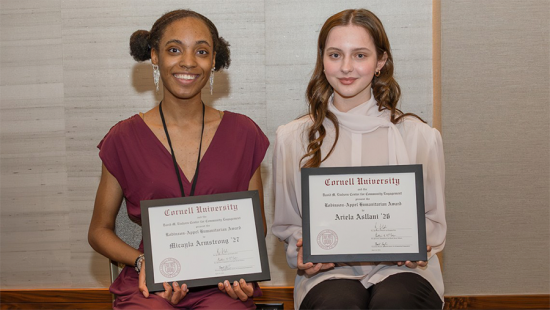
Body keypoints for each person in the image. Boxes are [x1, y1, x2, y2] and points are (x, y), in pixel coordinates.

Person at [88, 9, 269, 309]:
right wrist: (141, 260)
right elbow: (98, 231)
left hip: (221, 283)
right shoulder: (123, 138)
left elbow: (256, 226)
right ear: (155, 56)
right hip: (152, 278)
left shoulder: (244, 133)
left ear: (213, 62)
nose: (188, 61)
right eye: (174, 50)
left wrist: (239, 266)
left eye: (201, 51)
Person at [272, 9, 446, 310]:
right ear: (322, 60)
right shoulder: (292, 139)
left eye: (361, 55)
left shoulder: (420, 137)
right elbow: (289, 225)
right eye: (335, 55)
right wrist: (301, 253)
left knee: (396, 304)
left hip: (404, 271)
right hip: (327, 273)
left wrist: (416, 242)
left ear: (381, 62)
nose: (346, 68)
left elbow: (434, 220)